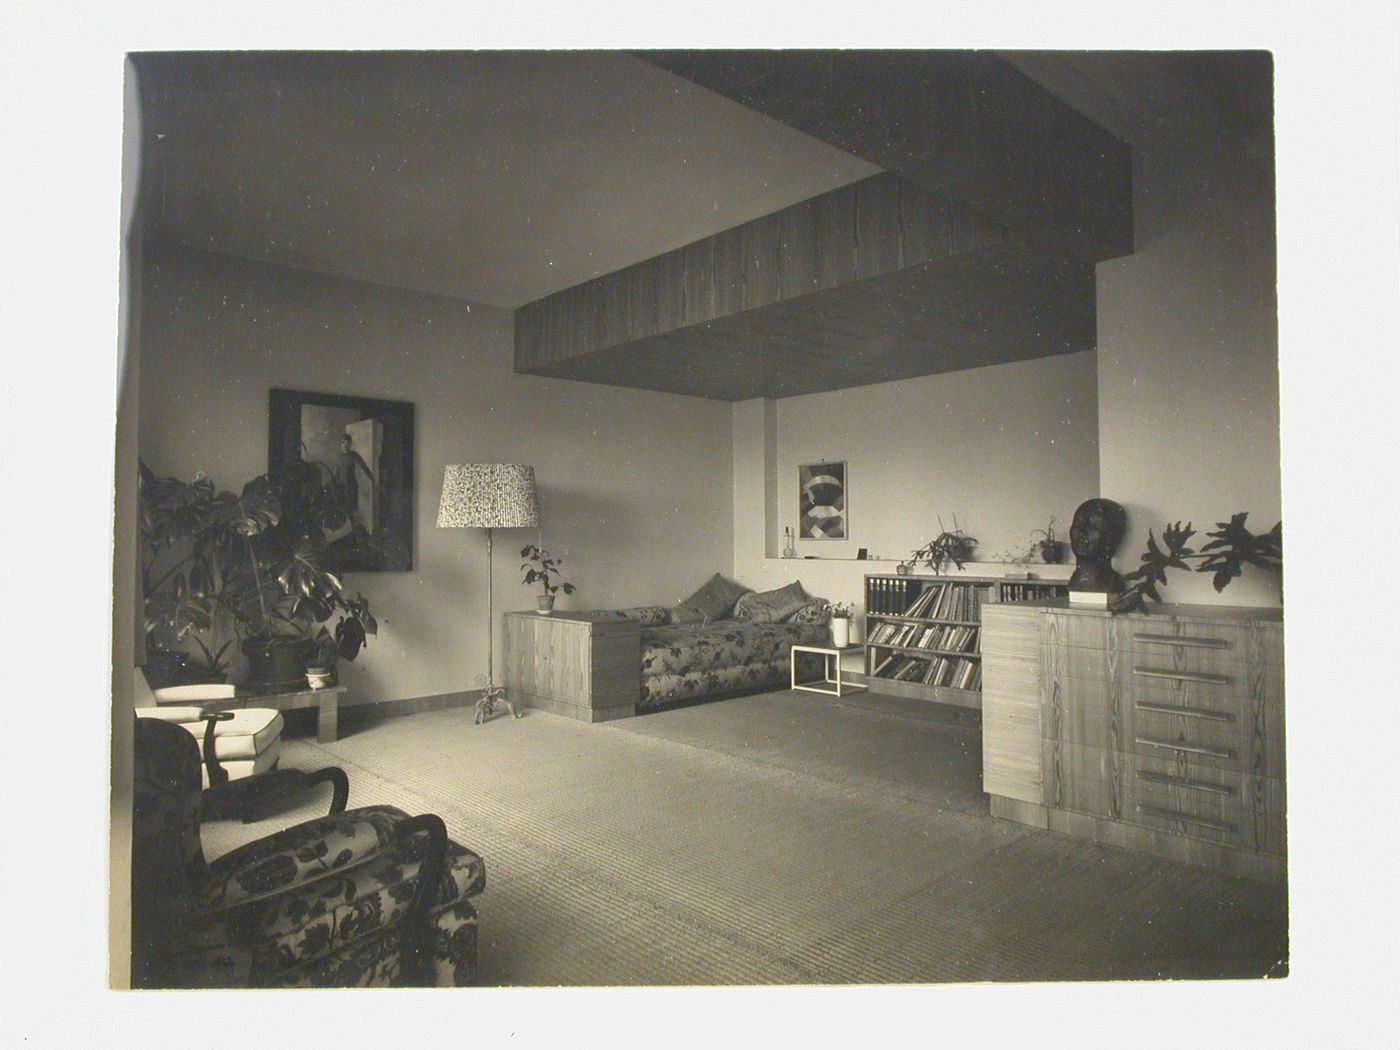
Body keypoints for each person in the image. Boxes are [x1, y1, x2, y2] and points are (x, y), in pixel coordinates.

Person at [1068, 497, 1127, 593]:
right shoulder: (1075, 582)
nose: (1082, 532)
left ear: (1112, 537)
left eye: (1093, 526)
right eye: (1078, 523)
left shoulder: (1112, 584)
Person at [335, 432, 375, 521]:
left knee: (352, 511)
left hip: (352, 486)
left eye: (347, 442)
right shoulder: (338, 456)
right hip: (341, 487)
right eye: (342, 442)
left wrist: (374, 480)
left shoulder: (354, 455)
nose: (345, 445)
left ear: (350, 444)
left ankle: (353, 530)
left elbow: (365, 468)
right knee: (343, 511)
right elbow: (336, 474)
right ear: (340, 443)